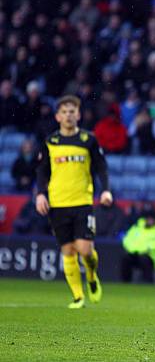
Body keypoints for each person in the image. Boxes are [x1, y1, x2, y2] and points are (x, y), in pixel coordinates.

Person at [35, 95, 112, 309]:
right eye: (65, 111)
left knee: (85, 250)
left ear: (78, 115)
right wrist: (40, 194)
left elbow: (101, 168)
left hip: (82, 202)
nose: (69, 115)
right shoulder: (50, 142)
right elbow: (42, 171)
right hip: (58, 204)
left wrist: (105, 191)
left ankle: (91, 274)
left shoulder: (88, 140)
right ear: (58, 116)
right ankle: (78, 297)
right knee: (68, 251)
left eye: (72, 111)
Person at [121, 208, 155, 283]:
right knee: (125, 258)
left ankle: (147, 283)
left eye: (152, 219)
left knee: (144, 259)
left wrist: (148, 248)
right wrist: (135, 249)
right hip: (135, 253)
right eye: (148, 218)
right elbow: (127, 241)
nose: (150, 220)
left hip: (153, 257)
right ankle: (125, 282)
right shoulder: (136, 229)